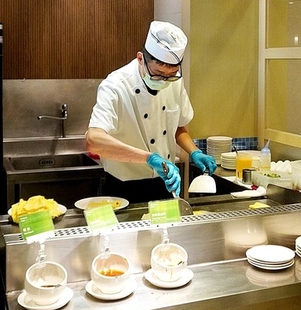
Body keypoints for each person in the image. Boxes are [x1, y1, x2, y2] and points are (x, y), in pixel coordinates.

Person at [86, 21, 216, 203]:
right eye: (157, 74)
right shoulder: (115, 86)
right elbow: (93, 141)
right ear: (140, 59)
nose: (163, 81)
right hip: (124, 188)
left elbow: (178, 127)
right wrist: (149, 158)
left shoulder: (175, 82)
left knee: (166, 232)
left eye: (170, 75)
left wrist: (195, 152)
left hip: (165, 185)